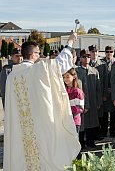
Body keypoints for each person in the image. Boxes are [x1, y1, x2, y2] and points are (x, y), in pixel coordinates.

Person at [4, 33, 81, 170]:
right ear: (33, 54)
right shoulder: (37, 70)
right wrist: (69, 42)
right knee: (44, 156)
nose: (40, 56)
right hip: (39, 126)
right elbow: (60, 64)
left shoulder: (11, 76)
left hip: (20, 129)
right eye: (38, 53)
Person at [75, 49, 102, 148]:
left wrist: (98, 101)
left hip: (93, 100)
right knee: (82, 123)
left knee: (92, 122)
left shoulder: (94, 71)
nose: (86, 59)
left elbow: (98, 88)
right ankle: (81, 142)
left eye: (88, 57)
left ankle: (90, 141)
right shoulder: (77, 71)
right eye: (84, 57)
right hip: (81, 100)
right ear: (80, 58)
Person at [99, 45, 115, 137]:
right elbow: (100, 79)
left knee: (114, 113)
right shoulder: (101, 63)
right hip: (105, 91)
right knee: (105, 114)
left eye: (111, 52)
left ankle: (113, 132)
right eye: (107, 52)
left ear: (113, 53)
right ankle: (104, 132)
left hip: (114, 92)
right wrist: (104, 91)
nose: (109, 53)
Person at [63, 68, 85, 134]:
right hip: (64, 121)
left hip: (74, 121)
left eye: (67, 77)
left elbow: (80, 109)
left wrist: (67, 110)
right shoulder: (63, 91)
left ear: (74, 77)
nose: (65, 79)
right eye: (64, 77)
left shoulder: (77, 91)